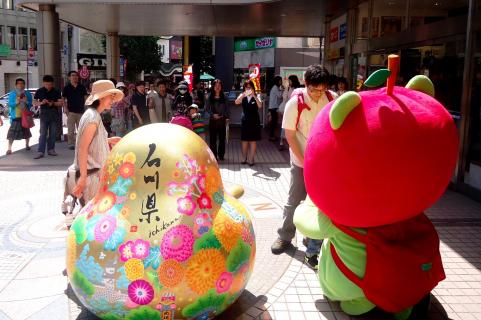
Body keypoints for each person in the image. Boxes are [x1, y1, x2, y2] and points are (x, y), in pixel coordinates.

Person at [271, 65, 338, 270]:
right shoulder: (295, 103)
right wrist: (303, 159)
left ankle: (313, 237)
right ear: (305, 84)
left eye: (321, 89)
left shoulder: (333, 99)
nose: (318, 94)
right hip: (301, 160)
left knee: (320, 201)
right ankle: (285, 236)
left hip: (324, 161)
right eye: (313, 89)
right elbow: (290, 135)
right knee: (295, 198)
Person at [63, 80, 124, 226]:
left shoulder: (93, 115)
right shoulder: (92, 118)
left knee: (92, 217)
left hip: (93, 175)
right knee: (89, 220)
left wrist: (107, 140)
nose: (113, 101)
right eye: (111, 97)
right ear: (101, 97)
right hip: (90, 177)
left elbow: (90, 143)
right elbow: (83, 148)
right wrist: (83, 177)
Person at [34, 75, 63, 159]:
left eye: (50, 84)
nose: (48, 86)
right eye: (46, 84)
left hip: (54, 113)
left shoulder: (56, 91)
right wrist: (41, 103)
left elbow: (60, 103)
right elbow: (34, 102)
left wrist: (53, 103)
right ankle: (40, 151)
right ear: (43, 83)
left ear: (52, 84)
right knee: (43, 133)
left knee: (53, 133)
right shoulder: (39, 91)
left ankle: (51, 149)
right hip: (44, 114)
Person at [235, 80, 262, 166]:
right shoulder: (243, 95)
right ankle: (244, 157)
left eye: (250, 87)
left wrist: (254, 95)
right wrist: (243, 94)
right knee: (244, 140)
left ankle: (251, 158)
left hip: (254, 120)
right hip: (245, 120)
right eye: (247, 87)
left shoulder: (257, 95)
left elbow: (260, 105)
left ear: (253, 88)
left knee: (253, 140)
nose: (248, 89)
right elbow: (236, 102)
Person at [5, 78, 33, 155]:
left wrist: (26, 101)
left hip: (25, 115)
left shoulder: (27, 93)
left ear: (24, 85)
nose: (21, 85)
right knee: (12, 133)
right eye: (19, 83)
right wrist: (16, 103)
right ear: (16, 85)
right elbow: (10, 104)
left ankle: (27, 145)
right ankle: (9, 149)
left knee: (26, 131)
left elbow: (31, 104)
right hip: (15, 116)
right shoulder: (12, 94)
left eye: (22, 83)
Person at [63, 71, 88, 150]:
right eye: (73, 75)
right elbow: (63, 99)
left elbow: (85, 98)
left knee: (81, 130)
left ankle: (80, 144)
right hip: (71, 112)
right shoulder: (66, 88)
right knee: (70, 130)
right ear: (69, 77)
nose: (75, 77)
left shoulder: (82, 87)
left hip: (81, 111)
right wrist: (65, 108)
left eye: (76, 75)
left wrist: (86, 108)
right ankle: (71, 144)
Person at [206, 79, 229, 161]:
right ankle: (214, 156)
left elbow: (227, 108)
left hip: (222, 120)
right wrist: (213, 115)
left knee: (222, 139)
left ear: (221, 87)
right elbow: (207, 109)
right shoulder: (210, 96)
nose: (218, 87)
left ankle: (221, 155)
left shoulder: (224, 97)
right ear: (213, 87)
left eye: (219, 85)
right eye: (216, 85)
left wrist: (226, 117)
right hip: (213, 120)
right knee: (212, 139)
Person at [278, 75, 301, 151]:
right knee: (285, 125)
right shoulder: (288, 88)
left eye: (290, 80)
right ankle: (282, 142)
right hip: (287, 109)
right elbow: (284, 98)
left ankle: (290, 143)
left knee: (293, 126)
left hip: (295, 109)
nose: (289, 82)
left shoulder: (298, 89)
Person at [268, 76, 284, 141]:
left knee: (274, 122)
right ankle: (271, 136)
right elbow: (279, 96)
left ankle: (272, 136)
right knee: (273, 122)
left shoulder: (276, 87)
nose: (281, 82)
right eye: (280, 80)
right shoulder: (275, 87)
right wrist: (282, 90)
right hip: (273, 107)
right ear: (277, 81)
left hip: (273, 107)